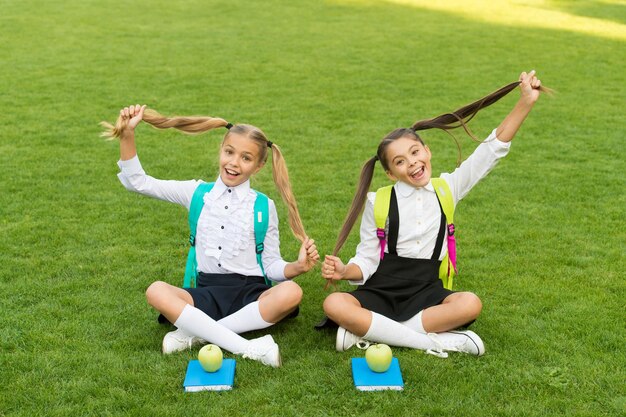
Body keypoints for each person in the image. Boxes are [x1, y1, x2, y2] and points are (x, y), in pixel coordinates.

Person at [321, 71, 545, 358]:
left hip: (425, 289)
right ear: (390, 173)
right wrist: (344, 271)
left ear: (427, 151)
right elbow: (366, 259)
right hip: (382, 287)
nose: (412, 163)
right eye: (400, 162)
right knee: (335, 304)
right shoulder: (378, 201)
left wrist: (525, 102)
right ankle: (432, 341)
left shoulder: (448, 188)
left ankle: (372, 332)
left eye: (415, 153)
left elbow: (490, 152)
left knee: (470, 303)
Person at [103, 104, 319, 367]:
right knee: (156, 291)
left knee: (292, 292)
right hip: (205, 293)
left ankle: (196, 334)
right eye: (229, 152)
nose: (234, 163)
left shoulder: (263, 206)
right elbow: (138, 182)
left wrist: (297, 266)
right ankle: (248, 347)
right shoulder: (196, 193)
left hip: (251, 294)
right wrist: (127, 135)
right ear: (221, 150)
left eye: (246, 158)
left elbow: (271, 265)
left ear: (259, 166)